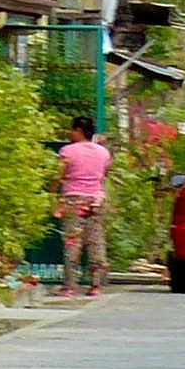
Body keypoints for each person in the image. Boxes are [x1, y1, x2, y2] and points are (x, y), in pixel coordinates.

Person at [53, 116, 110, 298]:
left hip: (73, 200)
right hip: (96, 200)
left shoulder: (67, 151)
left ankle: (69, 286)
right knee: (95, 241)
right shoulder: (103, 153)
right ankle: (95, 286)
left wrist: (52, 190)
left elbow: (58, 175)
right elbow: (103, 176)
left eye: (72, 130)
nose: (70, 134)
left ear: (78, 130)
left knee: (72, 242)